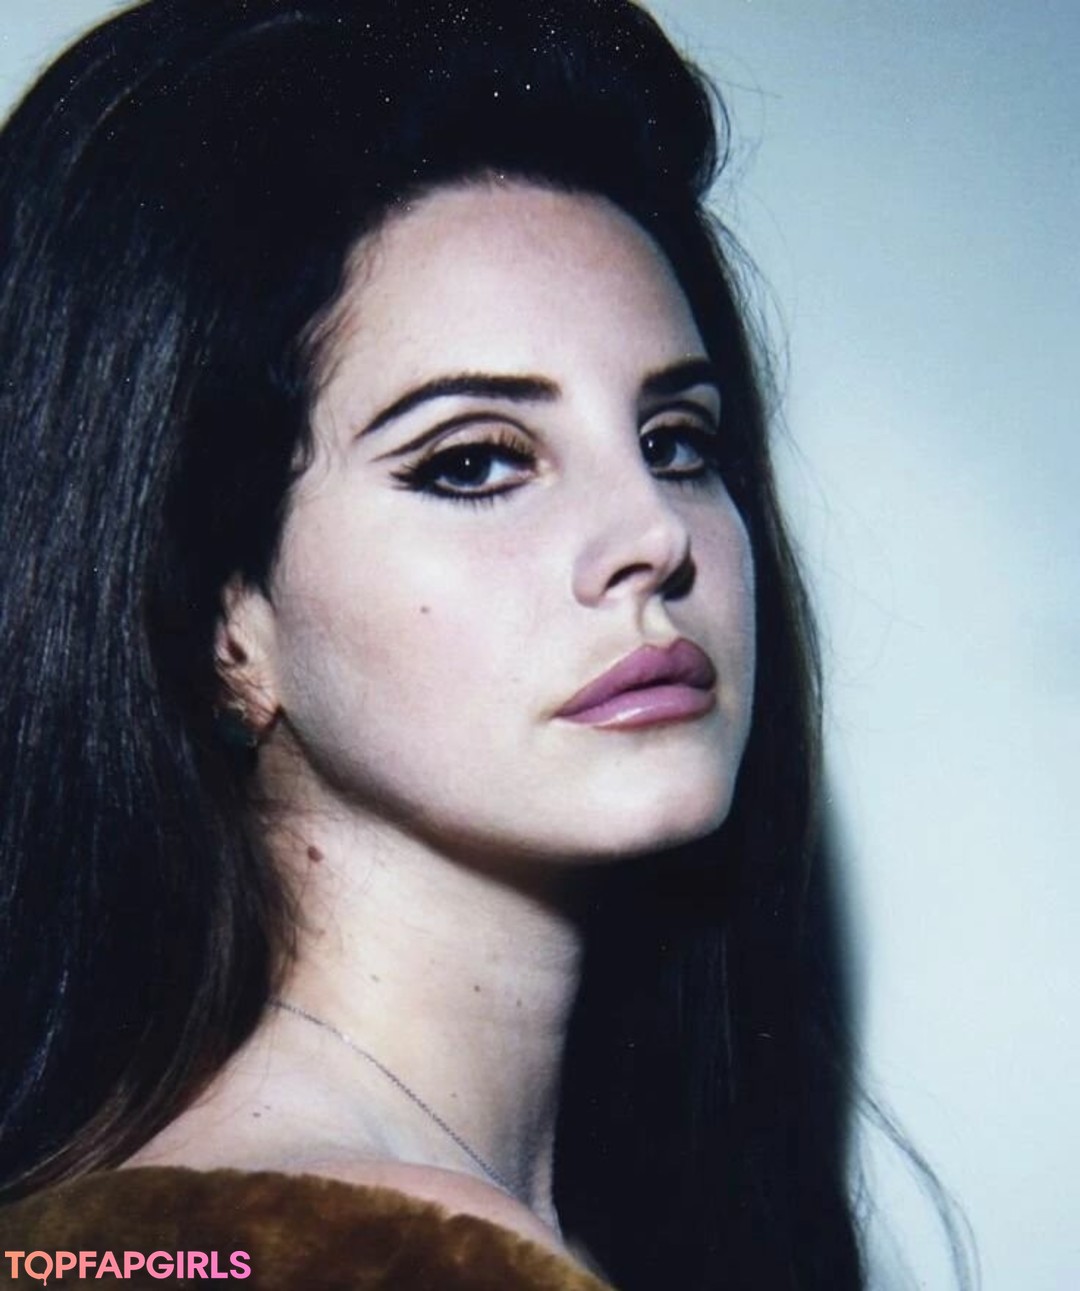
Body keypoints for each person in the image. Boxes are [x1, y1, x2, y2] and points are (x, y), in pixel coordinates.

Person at [0, 1, 865, 1287]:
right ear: (225, 628)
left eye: (677, 441)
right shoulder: (358, 1254)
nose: (654, 533)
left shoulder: (184, 1237)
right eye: (474, 462)